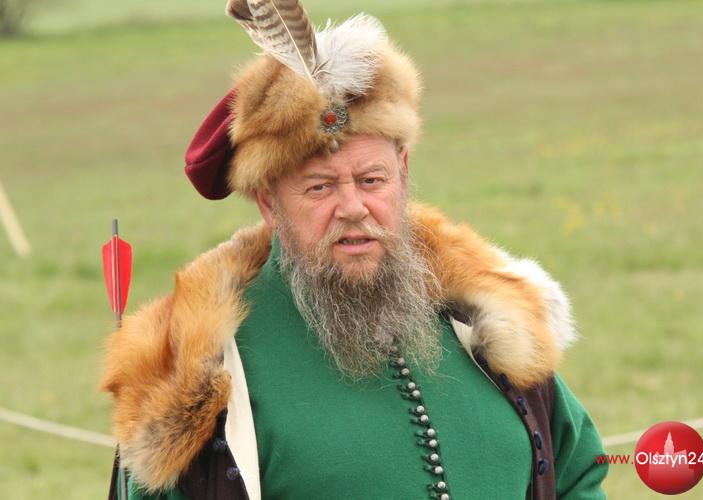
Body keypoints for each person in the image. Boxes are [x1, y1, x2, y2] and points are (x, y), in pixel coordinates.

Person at [101, 2, 609, 499]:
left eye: (372, 179)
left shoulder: (485, 314)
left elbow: (577, 471)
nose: (353, 208)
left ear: (403, 173)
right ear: (268, 202)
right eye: (319, 187)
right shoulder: (203, 371)